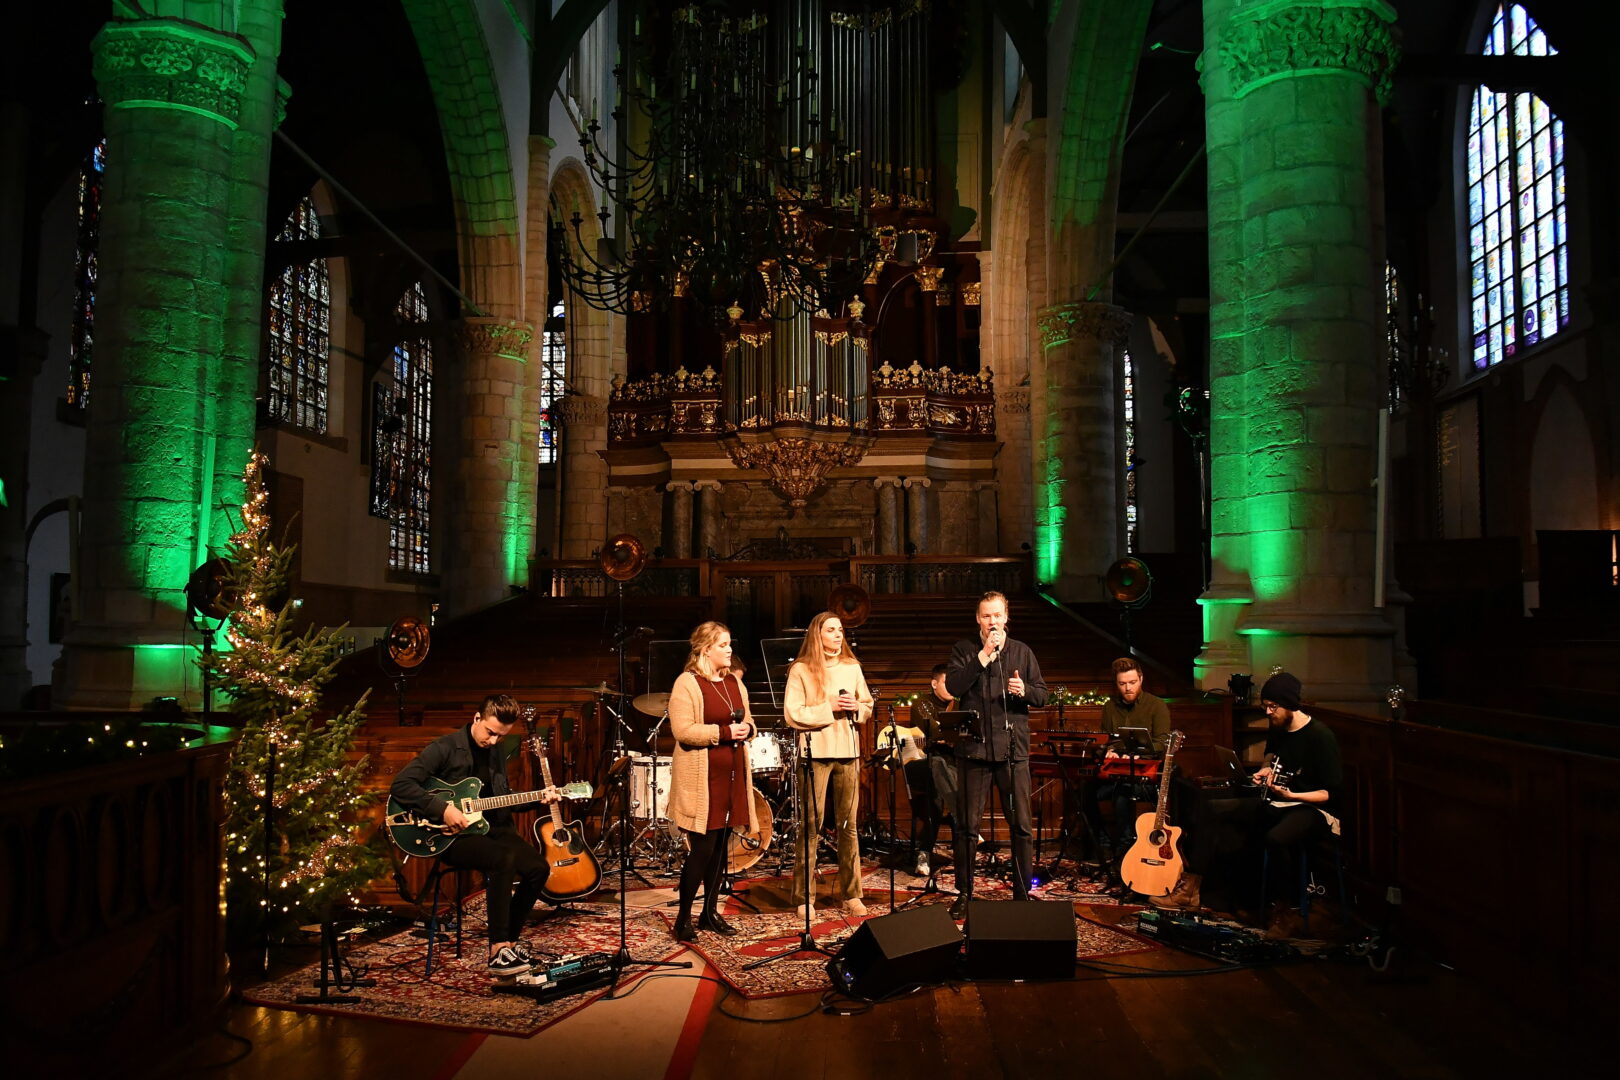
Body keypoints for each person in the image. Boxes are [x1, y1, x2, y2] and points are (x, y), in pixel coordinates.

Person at [391, 694, 561, 979]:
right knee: (502, 859)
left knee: (538, 868)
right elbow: (402, 785)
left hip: (489, 829)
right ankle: (496, 950)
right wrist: (442, 810)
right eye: (490, 733)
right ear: (476, 719)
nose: (493, 741)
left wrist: (538, 799)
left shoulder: (495, 751)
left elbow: (500, 799)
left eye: (501, 736)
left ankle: (510, 943)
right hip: (448, 837)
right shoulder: (444, 748)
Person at [1154, 671, 1342, 917]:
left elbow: (1331, 794)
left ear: (1289, 705)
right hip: (1278, 801)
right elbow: (1271, 753)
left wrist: (1293, 796)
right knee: (1212, 811)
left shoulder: (1320, 736)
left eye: (1272, 707)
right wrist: (1266, 769)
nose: (1267, 712)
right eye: (1266, 706)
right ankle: (1195, 889)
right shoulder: (1279, 725)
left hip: (1312, 808)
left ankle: (1287, 908)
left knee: (1276, 837)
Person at [945, 591, 1048, 917]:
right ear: (978, 619)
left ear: (1006, 617)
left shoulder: (1021, 652)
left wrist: (1025, 691)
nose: (992, 622)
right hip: (974, 753)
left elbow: (1042, 695)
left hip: (1012, 753)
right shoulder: (964, 650)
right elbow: (954, 687)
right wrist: (984, 656)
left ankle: (1021, 894)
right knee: (966, 827)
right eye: (986, 616)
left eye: (997, 616)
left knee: (1021, 827)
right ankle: (965, 894)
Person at [667, 620, 759, 942]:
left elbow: (748, 720)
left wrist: (749, 729)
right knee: (702, 850)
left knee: (721, 851)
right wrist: (722, 733)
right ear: (706, 649)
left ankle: (709, 913)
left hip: (731, 777)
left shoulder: (734, 681)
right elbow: (683, 731)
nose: (730, 649)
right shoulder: (687, 683)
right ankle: (683, 919)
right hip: (702, 782)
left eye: (730, 643)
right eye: (723, 645)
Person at [784, 611, 874, 920]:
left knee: (848, 826)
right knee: (812, 825)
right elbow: (792, 713)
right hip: (814, 752)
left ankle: (852, 893)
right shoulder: (801, 669)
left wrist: (857, 708)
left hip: (847, 750)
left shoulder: (852, 667)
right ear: (817, 635)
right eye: (831, 630)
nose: (838, 635)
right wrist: (829, 707)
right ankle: (803, 896)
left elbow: (867, 706)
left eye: (840, 630)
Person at [1090, 657, 1173, 858]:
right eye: (1122, 684)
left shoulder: (1156, 705)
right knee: (1086, 790)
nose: (1128, 688)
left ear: (1141, 679)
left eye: (1132, 682)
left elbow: (1162, 744)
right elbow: (1105, 741)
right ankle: (1101, 844)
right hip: (1117, 772)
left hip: (1145, 775)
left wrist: (1132, 753)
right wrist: (1107, 750)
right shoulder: (1110, 707)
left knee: (1122, 793)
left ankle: (1125, 849)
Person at [903, 663, 959, 878]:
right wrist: (947, 737)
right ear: (934, 683)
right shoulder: (921, 704)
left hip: (954, 764)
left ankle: (937, 851)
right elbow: (929, 737)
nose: (952, 687)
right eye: (947, 682)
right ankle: (926, 852)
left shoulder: (960, 704)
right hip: (924, 764)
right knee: (936, 773)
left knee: (946, 779)